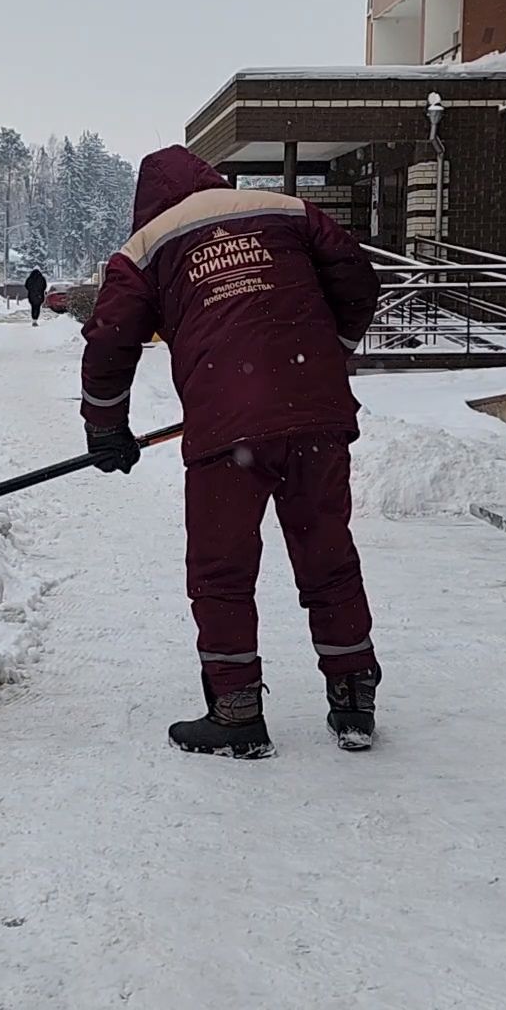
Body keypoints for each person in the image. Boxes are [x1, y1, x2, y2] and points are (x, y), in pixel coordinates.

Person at [79, 146, 384, 759]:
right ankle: (353, 699)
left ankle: (237, 711)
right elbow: (357, 279)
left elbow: (111, 340)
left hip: (228, 431)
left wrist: (105, 427)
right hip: (316, 416)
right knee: (328, 554)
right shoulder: (287, 210)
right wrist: (330, 354)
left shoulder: (146, 248)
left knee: (222, 571)